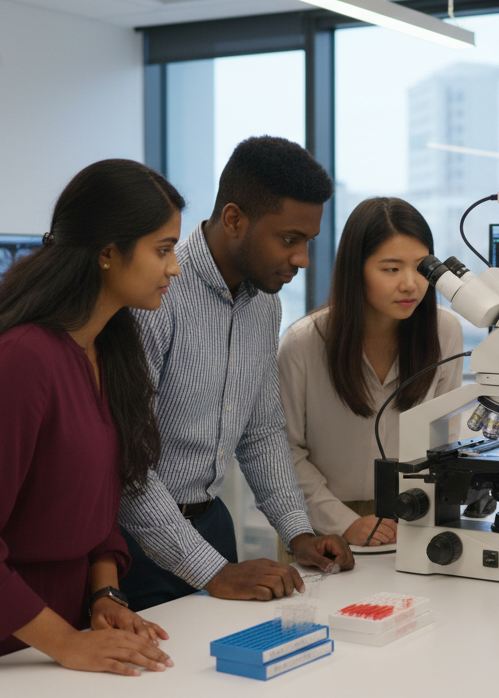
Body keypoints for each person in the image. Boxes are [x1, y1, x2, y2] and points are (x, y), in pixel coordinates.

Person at [0, 160, 183, 690]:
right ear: (108, 253)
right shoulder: (22, 361)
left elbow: (93, 511)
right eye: (162, 249)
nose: (175, 267)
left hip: (55, 630)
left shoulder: (108, 351)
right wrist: (67, 643)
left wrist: (105, 594)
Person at [118, 136, 353, 611]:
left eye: (308, 242)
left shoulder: (265, 306)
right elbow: (127, 468)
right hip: (133, 540)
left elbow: (262, 430)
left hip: (211, 526)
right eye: (289, 239)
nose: (302, 259)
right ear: (233, 219)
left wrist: (298, 531)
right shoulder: (155, 298)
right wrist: (214, 571)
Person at [279, 197, 464, 547]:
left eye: (421, 267)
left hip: (411, 516)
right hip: (318, 526)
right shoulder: (303, 343)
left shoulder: (445, 332)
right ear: (356, 269)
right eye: (391, 269)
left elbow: (444, 435)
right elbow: (285, 451)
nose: (410, 284)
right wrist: (344, 522)